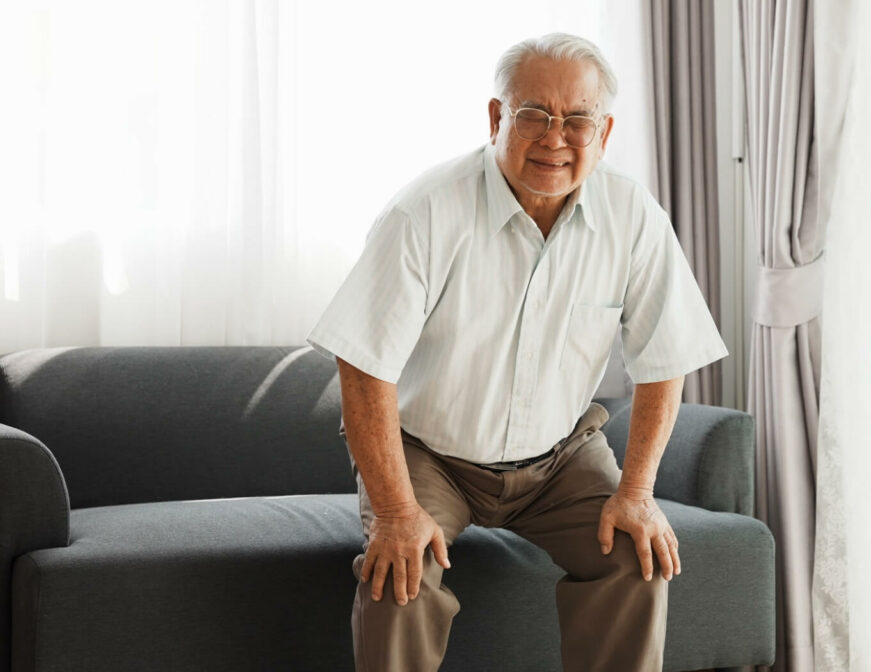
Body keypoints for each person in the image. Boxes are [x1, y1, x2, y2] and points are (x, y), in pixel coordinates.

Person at [307, 32, 728, 672]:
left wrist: (636, 492)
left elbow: (664, 358)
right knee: (400, 576)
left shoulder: (633, 214)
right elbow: (362, 368)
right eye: (533, 114)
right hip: (429, 456)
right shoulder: (423, 211)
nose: (554, 138)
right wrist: (395, 511)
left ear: (604, 131)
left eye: (577, 120)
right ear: (498, 118)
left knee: (634, 559)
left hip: (561, 459)